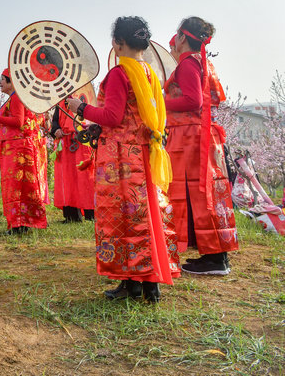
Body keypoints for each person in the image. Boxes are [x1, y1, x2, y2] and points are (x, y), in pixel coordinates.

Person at [66, 16, 179, 303]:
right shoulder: (150, 72)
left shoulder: (119, 74)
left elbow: (114, 117)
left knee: (122, 220)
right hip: (143, 154)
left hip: (120, 160)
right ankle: (147, 284)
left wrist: (83, 109)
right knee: (145, 218)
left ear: (118, 43)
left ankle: (131, 282)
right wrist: (97, 124)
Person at [165, 16, 238, 275]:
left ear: (183, 37)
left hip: (191, 138)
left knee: (199, 195)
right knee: (206, 194)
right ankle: (215, 255)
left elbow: (193, 101)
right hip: (202, 136)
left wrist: (159, 104)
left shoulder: (187, 64)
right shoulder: (202, 63)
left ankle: (216, 259)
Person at [0, 69, 47, 234]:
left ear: (11, 81)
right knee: (17, 186)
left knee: (17, 186)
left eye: (2, 80)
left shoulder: (17, 97)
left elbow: (18, 121)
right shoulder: (11, 99)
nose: (0, 83)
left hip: (17, 148)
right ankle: (21, 222)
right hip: (12, 147)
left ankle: (19, 224)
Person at [50, 96, 95, 222]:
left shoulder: (83, 93)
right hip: (65, 143)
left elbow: (92, 116)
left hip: (82, 142)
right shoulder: (59, 102)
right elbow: (55, 122)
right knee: (67, 179)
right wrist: (56, 129)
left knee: (85, 178)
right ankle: (72, 216)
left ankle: (91, 213)